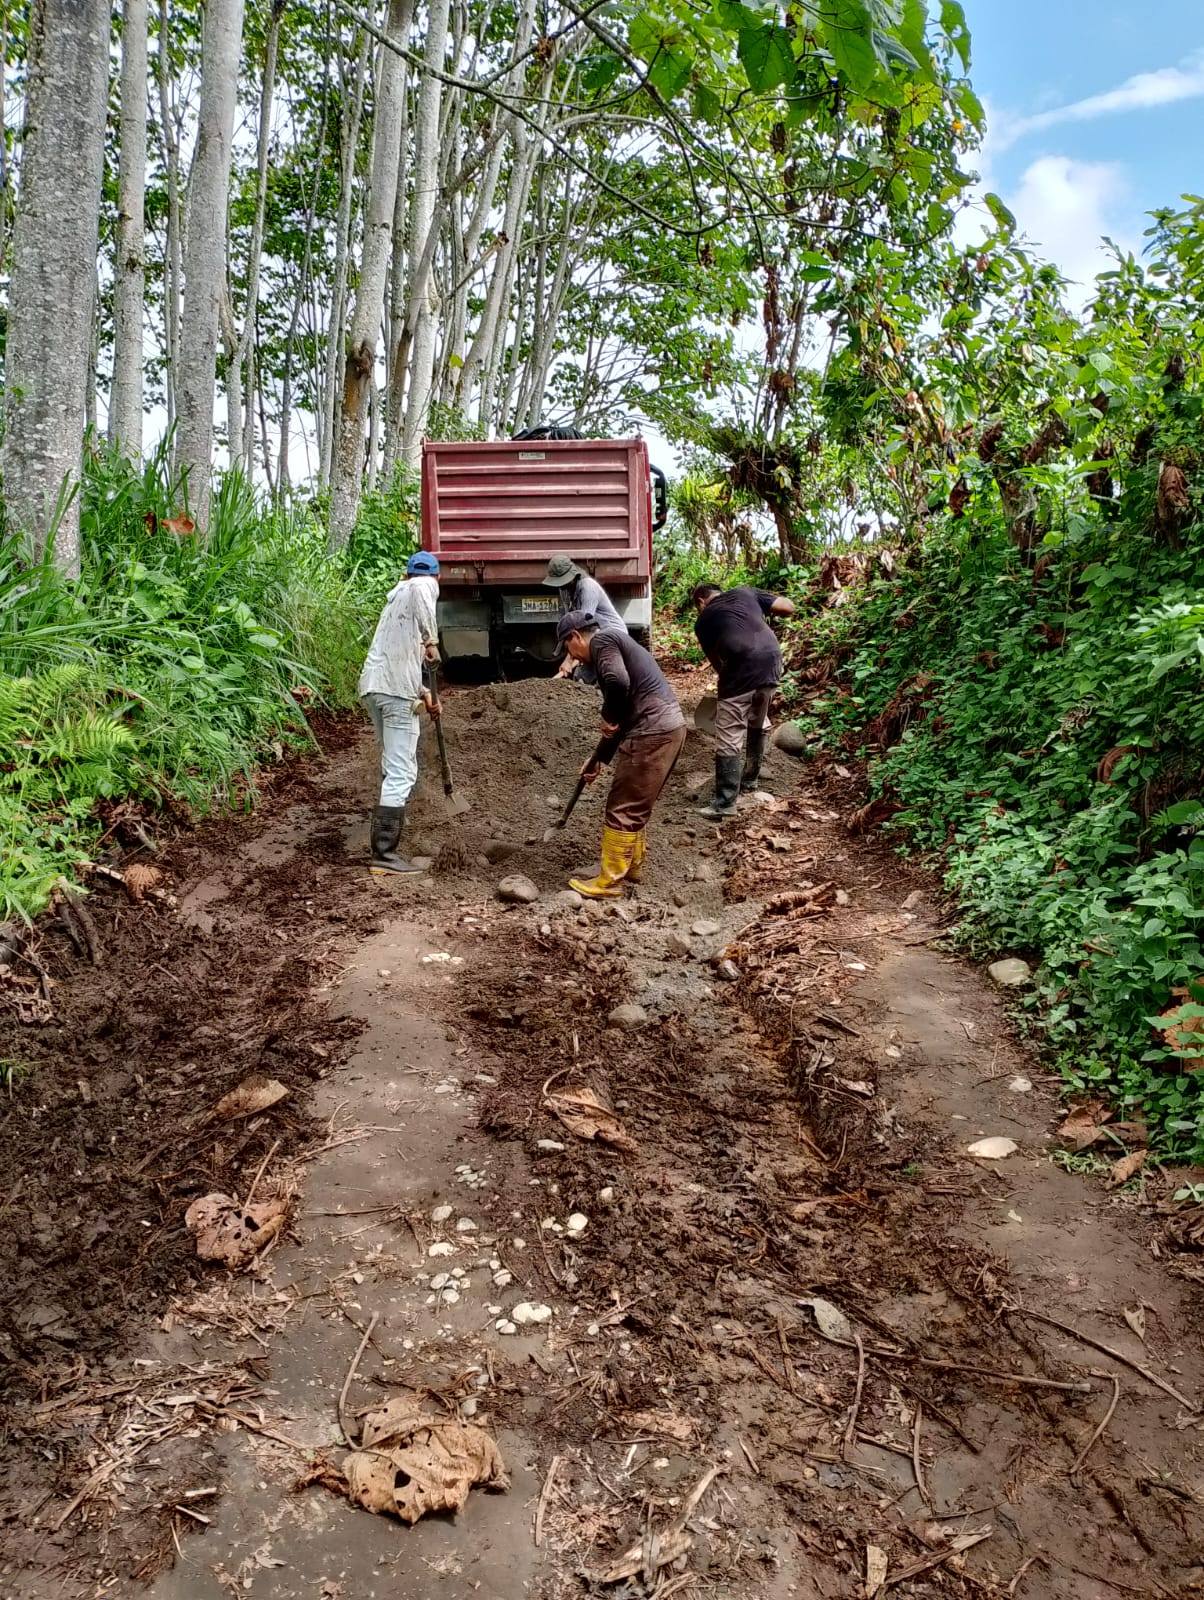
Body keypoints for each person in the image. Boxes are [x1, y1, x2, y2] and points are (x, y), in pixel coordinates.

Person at [557, 609, 686, 897]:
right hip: (667, 729)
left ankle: (609, 881)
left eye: (567, 647)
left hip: (651, 731)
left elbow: (618, 683)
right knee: (635, 804)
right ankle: (632, 867)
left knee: (623, 807)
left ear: (576, 636)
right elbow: (619, 721)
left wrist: (606, 715)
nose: (572, 657)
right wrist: (598, 759)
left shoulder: (603, 641)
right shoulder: (614, 645)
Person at [358, 550, 443, 873]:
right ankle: (384, 854)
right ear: (436, 576)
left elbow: (400, 659)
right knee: (402, 771)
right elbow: (422, 586)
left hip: (376, 687)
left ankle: (382, 845)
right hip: (394, 693)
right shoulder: (422, 586)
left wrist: (425, 693)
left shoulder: (395, 602)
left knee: (391, 763)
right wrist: (432, 641)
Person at [692, 582, 796, 819]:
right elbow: (787, 607)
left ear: (701, 602)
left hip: (742, 666)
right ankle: (750, 780)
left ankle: (725, 803)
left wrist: (729, 690)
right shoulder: (745, 592)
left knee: (729, 733)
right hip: (772, 661)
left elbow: (717, 662)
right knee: (757, 720)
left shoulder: (703, 620)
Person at [542, 553, 626, 680]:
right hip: (592, 637)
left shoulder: (588, 587)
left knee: (588, 677)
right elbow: (570, 624)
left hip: (611, 636)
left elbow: (583, 627)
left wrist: (569, 660)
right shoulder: (565, 589)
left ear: (572, 575)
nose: (561, 586)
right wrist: (569, 654)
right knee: (580, 677)